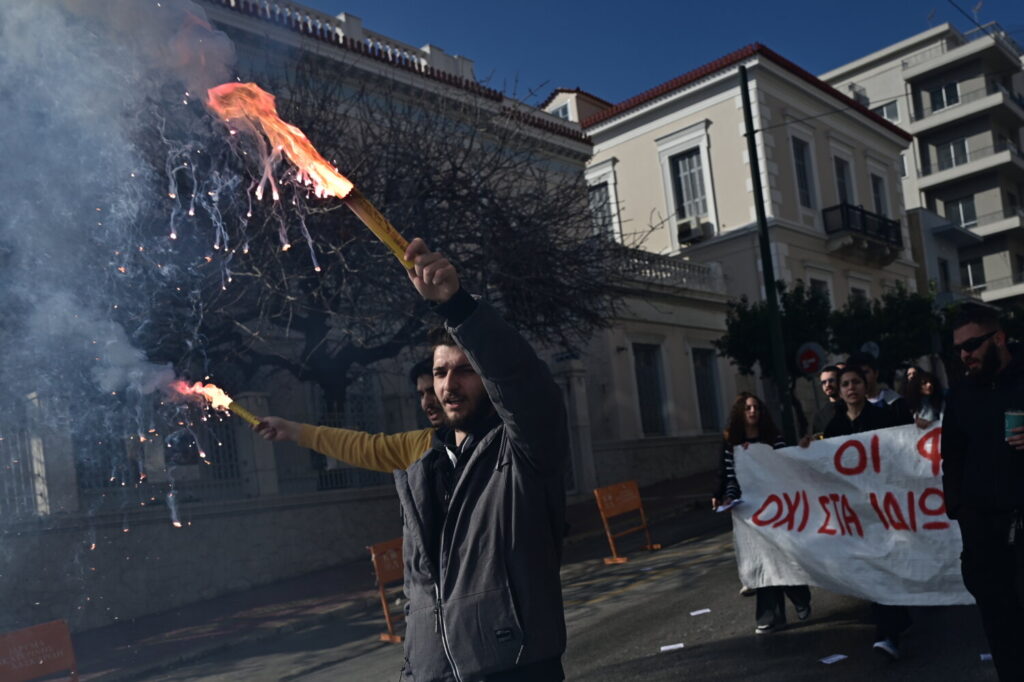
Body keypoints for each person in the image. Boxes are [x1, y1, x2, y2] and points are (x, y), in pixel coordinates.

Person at [395, 237, 569, 681]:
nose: (449, 384)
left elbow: (525, 384)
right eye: (439, 372)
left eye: (464, 369)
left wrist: (458, 307)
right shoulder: (420, 475)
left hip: (515, 668)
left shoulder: (522, 452)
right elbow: (419, 590)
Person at [941, 303, 1024, 681]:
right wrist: (962, 513)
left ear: (999, 338)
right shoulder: (958, 396)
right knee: (1002, 635)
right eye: (959, 347)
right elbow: (952, 460)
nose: (965, 354)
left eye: (972, 344)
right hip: (985, 538)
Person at [824, 366, 912, 660]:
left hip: (884, 507)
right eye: (845, 383)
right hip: (855, 513)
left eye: (856, 382)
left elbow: (901, 449)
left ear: (865, 386)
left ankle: (888, 633)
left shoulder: (883, 418)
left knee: (887, 564)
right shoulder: (834, 427)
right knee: (873, 569)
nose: (851, 388)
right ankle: (895, 622)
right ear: (839, 390)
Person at [713, 392, 811, 633]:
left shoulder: (772, 439)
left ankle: (800, 596)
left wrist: (760, 456)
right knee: (762, 559)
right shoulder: (731, 442)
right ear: (740, 413)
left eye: (756, 407)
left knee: (780, 554)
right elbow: (728, 474)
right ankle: (771, 616)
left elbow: (783, 468)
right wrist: (726, 495)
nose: (752, 411)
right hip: (748, 508)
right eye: (747, 408)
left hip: (776, 507)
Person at [254, 358, 443, 472]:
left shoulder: (471, 444)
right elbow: (364, 447)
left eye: (432, 391)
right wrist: (292, 430)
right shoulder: (424, 444)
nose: (427, 403)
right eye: (421, 394)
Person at [846, 352, 912, 424]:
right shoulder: (844, 409)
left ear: (876, 373)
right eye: (857, 374)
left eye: (865, 372)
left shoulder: (896, 403)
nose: (862, 378)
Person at [801, 365, 842, 445]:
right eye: (824, 382)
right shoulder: (820, 416)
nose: (827, 385)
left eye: (831, 381)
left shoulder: (853, 406)